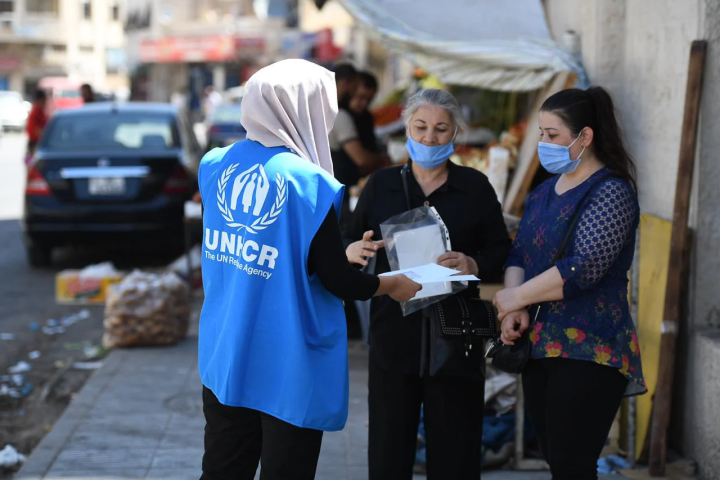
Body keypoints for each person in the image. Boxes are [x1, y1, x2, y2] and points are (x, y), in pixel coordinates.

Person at [196, 59, 421, 480]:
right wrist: (391, 285)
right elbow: (339, 281)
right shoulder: (309, 183)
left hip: (225, 348)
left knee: (225, 467)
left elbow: (261, 246)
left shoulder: (214, 165)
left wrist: (334, 253)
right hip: (286, 359)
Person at [345, 88, 512, 480]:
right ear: (406, 127)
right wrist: (355, 248)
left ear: (456, 133)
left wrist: (474, 262)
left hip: (457, 336)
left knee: (455, 454)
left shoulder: (474, 187)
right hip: (392, 334)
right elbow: (346, 239)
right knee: (388, 453)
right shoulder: (381, 185)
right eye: (420, 127)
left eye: (441, 129)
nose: (429, 138)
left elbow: (501, 251)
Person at [493, 87, 647, 480]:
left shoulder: (611, 191)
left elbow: (585, 267)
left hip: (589, 346)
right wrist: (514, 308)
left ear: (585, 137)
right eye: (541, 134)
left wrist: (515, 296)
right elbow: (519, 255)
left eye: (553, 135)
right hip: (539, 345)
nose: (544, 143)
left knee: (572, 463)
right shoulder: (543, 192)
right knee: (556, 458)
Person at [330, 70, 390, 229]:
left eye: (368, 99)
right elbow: (361, 159)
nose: (363, 103)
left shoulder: (365, 117)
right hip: (343, 193)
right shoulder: (341, 116)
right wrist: (383, 160)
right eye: (360, 97)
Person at [25, 90, 48, 164]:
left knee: (30, 165)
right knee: (32, 166)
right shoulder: (36, 113)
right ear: (40, 100)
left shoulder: (40, 111)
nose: (45, 103)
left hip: (35, 144)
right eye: (44, 101)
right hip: (34, 145)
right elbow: (36, 131)